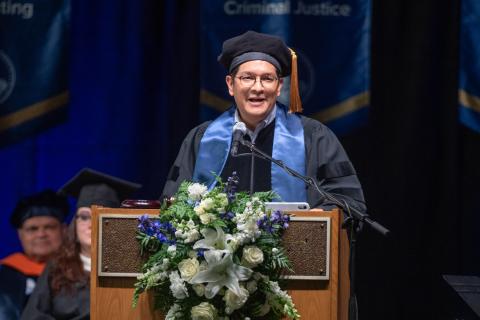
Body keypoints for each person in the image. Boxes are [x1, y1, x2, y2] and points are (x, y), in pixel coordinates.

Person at [161, 30, 366, 213]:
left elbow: (348, 202)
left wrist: (320, 216)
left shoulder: (314, 137)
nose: (257, 88)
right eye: (247, 78)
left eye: (267, 79)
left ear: (279, 86)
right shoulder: (201, 139)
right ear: (231, 84)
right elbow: (172, 205)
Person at [21, 168, 141, 320]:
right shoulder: (56, 267)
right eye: (84, 217)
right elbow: (32, 315)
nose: (91, 224)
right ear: (74, 224)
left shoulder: (131, 269)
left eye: (101, 216)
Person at [0, 190, 69, 319]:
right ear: (20, 234)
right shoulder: (3, 273)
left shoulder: (79, 273)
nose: (41, 234)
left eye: (49, 227)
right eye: (32, 229)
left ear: (64, 230)